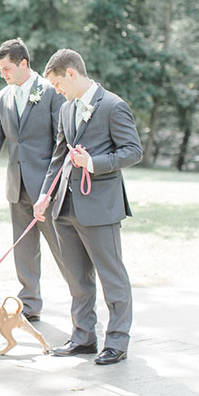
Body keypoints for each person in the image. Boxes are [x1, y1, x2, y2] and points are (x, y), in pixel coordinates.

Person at [34, 48, 142, 365]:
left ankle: (117, 341)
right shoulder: (66, 109)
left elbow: (133, 151)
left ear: (71, 73)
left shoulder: (113, 106)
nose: (57, 91)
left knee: (112, 277)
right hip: (65, 207)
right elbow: (58, 157)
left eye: (57, 84)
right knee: (77, 279)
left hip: (100, 207)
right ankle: (83, 337)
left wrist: (93, 163)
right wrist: (45, 195)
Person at [0, 38, 67, 322]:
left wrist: (52, 187)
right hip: (16, 186)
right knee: (24, 249)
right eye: (0, 70)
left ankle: (83, 304)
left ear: (24, 63)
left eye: (7, 68)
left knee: (63, 249)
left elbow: (61, 141)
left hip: (47, 188)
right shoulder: (3, 97)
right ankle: (30, 303)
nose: (3, 74)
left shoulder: (50, 91)